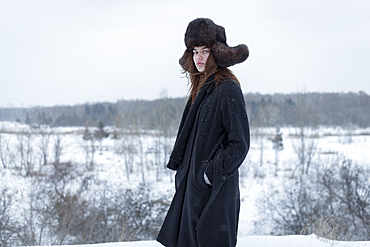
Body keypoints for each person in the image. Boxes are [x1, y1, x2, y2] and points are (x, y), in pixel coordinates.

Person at [157, 18, 250, 247]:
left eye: (205, 51)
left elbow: (240, 144)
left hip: (214, 193)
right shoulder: (201, 90)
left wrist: (209, 174)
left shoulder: (227, 88)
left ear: (217, 53)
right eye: (195, 51)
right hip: (193, 192)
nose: (198, 57)